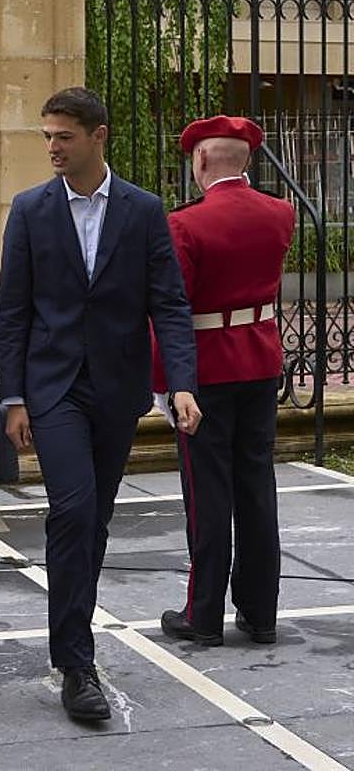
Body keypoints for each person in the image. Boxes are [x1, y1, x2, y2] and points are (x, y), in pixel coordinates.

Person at [0, 87, 202, 721]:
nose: (53, 147)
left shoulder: (143, 211)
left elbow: (167, 303)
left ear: (98, 136)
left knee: (96, 517)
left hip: (116, 389)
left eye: (64, 136)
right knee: (74, 510)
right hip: (53, 390)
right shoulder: (29, 210)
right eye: (48, 136)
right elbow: (14, 313)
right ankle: (75, 662)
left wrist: (182, 383)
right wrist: (14, 397)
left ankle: (75, 639)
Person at [155, 116, 294, 647]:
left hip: (206, 367)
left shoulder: (185, 224)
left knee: (207, 492)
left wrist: (166, 381)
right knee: (257, 487)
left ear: (202, 161)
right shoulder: (279, 213)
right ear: (247, 161)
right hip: (259, 360)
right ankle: (260, 613)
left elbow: (172, 306)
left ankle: (204, 613)